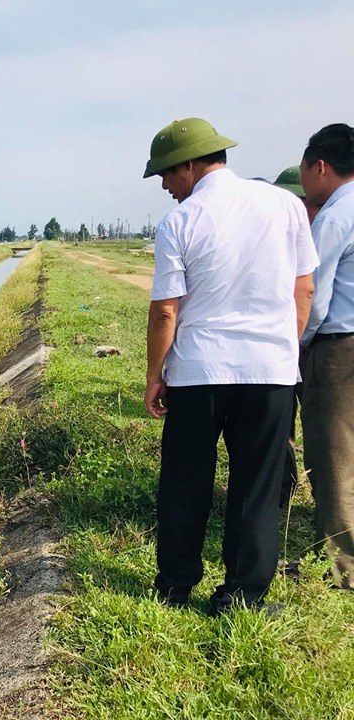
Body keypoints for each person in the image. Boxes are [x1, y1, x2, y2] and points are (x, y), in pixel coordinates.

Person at [143, 117, 318, 615]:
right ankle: (243, 595)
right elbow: (302, 288)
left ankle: (175, 587)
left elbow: (165, 310)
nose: (164, 186)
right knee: (257, 484)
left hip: (200, 373)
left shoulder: (181, 221)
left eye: (166, 174)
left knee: (185, 481)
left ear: (191, 165)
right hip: (270, 372)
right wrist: (283, 346)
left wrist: (155, 376)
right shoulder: (286, 206)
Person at [298, 123, 354, 591]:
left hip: (339, 350)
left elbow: (314, 295)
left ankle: (342, 570)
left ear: (320, 166)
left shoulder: (334, 217)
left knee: (333, 454)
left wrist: (299, 341)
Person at [271, 165, 321, 507]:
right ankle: (280, 493)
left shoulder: (328, 229)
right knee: (281, 425)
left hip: (314, 342)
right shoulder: (279, 235)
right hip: (289, 340)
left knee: (321, 427)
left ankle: (326, 500)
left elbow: (310, 292)